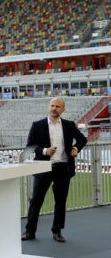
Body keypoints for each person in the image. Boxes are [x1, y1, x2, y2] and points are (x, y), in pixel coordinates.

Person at [22, 97, 87, 243]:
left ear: (63, 109)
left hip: (63, 168)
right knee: (36, 201)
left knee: (60, 202)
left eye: (58, 106)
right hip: (44, 168)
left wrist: (76, 148)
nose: (54, 108)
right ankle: (29, 231)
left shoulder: (69, 125)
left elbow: (82, 140)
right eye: (52, 105)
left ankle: (57, 231)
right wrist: (44, 150)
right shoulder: (37, 125)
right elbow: (30, 145)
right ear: (48, 107)